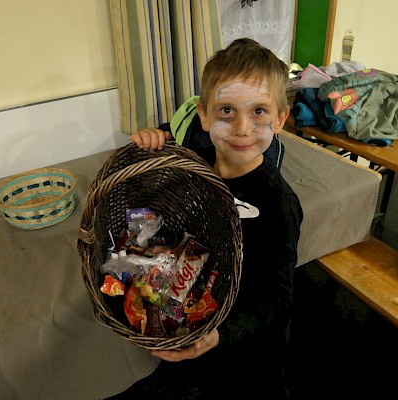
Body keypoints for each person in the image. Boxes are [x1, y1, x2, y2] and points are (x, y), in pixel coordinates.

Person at [110, 38, 303, 399]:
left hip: (244, 355)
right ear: (203, 116)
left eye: (259, 111)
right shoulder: (193, 167)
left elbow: (277, 298)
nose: (242, 128)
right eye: (226, 110)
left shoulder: (278, 204)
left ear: (280, 119)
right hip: (192, 322)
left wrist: (220, 336)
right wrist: (152, 141)